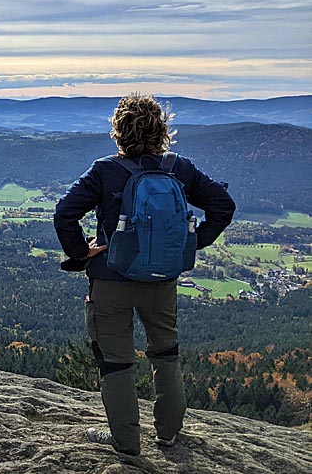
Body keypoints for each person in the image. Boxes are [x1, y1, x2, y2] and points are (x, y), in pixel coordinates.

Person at [53, 93, 235, 456]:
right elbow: (223, 205)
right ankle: (168, 434)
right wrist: (191, 244)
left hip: (111, 280)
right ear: (162, 129)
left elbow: (64, 214)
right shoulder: (179, 168)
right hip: (161, 282)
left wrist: (81, 253)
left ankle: (126, 443)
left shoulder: (104, 171)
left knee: (116, 362)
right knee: (166, 353)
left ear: (118, 131)